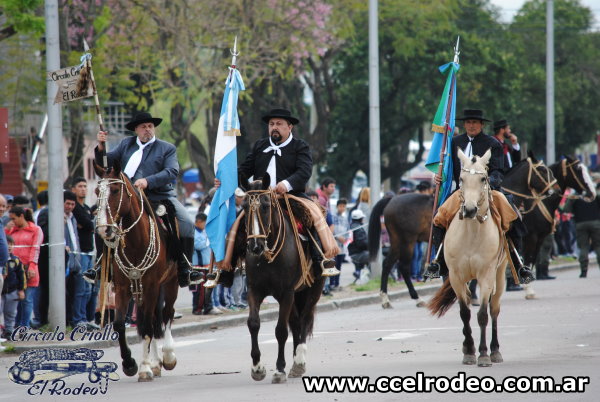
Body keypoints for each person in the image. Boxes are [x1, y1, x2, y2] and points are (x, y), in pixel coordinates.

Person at [216, 108, 340, 276]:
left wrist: (286, 184)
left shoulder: (300, 146)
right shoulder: (260, 145)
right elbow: (244, 171)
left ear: (290, 127)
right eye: (271, 124)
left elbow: (304, 171)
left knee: (311, 216)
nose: (274, 127)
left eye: (279, 124)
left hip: (290, 196)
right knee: (237, 225)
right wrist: (226, 180)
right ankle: (228, 269)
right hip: (260, 199)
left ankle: (319, 261)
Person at [87, 112, 201, 287]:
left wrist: (148, 181)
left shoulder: (167, 148)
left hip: (158, 197)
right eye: (143, 127)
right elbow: (105, 164)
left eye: (150, 126)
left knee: (186, 222)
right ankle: (101, 265)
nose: (148, 129)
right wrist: (101, 146)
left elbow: (171, 171)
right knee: (102, 222)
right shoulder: (126, 144)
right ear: (136, 130)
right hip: (128, 199)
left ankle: (186, 267)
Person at [423, 109, 534, 284]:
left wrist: (488, 180)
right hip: (460, 191)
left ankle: (519, 264)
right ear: (464, 124)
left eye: (475, 122)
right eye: (468, 122)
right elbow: (448, 169)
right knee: (439, 217)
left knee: (512, 215)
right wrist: (439, 177)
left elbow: (499, 170)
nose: (471, 125)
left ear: (481, 125)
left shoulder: (493, 143)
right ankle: (438, 263)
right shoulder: (453, 143)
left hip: (487, 189)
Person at [6, 207, 43, 328]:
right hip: (14, 271)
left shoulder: (35, 230)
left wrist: (32, 266)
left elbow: (35, 249)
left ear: (21, 216)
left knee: (27, 300)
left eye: (14, 218)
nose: (12, 221)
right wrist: (7, 229)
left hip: (29, 269)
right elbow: (5, 243)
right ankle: (15, 326)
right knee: (16, 299)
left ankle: (24, 326)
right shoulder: (12, 230)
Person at [70, 178, 99, 330]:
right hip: (79, 253)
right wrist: (88, 224)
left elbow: (90, 225)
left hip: (90, 252)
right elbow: (88, 224)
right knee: (81, 289)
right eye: (80, 186)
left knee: (90, 289)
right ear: (73, 189)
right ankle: (78, 320)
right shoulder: (75, 209)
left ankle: (88, 318)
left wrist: (89, 224)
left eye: (85, 186)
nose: (83, 189)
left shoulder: (86, 208)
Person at [564, 183, 600, 279]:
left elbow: (566, 209)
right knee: (598, 246)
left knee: (583, 247)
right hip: (596, 222)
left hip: (580, 223)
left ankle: (583, 271)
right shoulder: (594, 193)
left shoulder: (574, 196)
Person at [2, 235, 26, 339]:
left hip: (12, 291)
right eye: (7, 244)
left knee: (11, 312)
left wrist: (21, 290)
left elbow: (21, 276)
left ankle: (9, 331)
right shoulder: (1, 260)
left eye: (11, 244)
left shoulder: (16, 261)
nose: (9, 247)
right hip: (1, 290)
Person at [331, 198, 349, 290]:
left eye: (343, 206)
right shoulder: (333, 217)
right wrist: (338, 237)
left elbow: (348, 231)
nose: (342, 208)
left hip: (342, 246)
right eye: (340, 206)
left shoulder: (345, 219)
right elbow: (331, 231)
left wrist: (345, 239)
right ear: (337, 206)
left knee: (339, 265)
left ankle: (337, 283)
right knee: (333, 263)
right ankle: (332, 284)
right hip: (334, 245)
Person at [348, 209, 369, 279]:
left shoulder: (351, 226)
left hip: (352, 252)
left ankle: (358, 271)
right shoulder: (358, 228)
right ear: (360, 218)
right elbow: (361, 244)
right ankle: (374, 276)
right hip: (357, 253)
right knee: (374, 256)